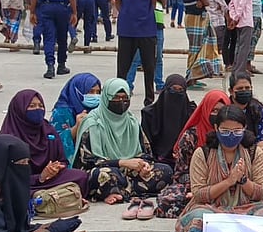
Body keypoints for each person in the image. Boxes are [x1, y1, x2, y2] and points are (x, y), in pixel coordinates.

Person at [175, 106, 263, 232]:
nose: (231, 135)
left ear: (244, 128)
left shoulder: (255, 153)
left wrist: (243, 180)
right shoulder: (202, 154)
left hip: (246, 207)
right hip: (211, 207)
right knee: (199, 217)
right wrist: (229, 181)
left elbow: (260, 193)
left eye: (237, 131)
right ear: (216, 128)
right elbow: (199, 194)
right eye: (225, 131)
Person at [73, 79, 173, 208]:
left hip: (131, 171)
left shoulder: (131, 122)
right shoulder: (93, 123)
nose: (121, 102)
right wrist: (122, 162)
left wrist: (143, 166)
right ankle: (125, 189)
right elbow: (87, 161)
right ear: (106, 98)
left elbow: (146, 152)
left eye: (125, 98)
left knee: (166, 171)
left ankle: (117, 191)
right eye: (116, 98)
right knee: (104, 175)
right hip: (105, 169)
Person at [154, 90, 231, 219]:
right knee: (167, 199)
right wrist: (197, 189)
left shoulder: (233, 134)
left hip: (226, 184)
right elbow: (180, 173)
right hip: (195, 183)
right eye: (213, 110)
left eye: (221, 111)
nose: (217, 115)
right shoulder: (191, 136)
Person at [0, 90, 90, 196]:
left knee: (81, 176)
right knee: (13, 191)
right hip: (26, 183)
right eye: (32, 106)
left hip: (51, 180)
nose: (37, 109)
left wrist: (55, 168)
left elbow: (62, 160)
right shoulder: (7, 138)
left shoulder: (48, 130)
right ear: (19, 109)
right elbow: (8, 176)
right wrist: (40, 177)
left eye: (41, 106)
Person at [111, 0, 161, 107]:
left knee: (149, 68)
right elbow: (117, 2)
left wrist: (144, 17)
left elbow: (153, 3)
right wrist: (127, 15)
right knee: (122, 70)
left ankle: (149, 102)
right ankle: (120, 100)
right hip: (126, 30)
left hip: (147, 31)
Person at [27, 0, 77, 80]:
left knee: (49, 37)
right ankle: (61, 65)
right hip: (61, 7)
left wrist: (32, 11)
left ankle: (50, 66)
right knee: (62, 37)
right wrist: (74, 12)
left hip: (45, 7)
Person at [141, 74, 195, 167]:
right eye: (173, 89)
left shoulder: (191, 113)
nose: (176, 93)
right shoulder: (150, 114)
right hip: (155, 161)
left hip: (184, 162)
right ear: (165, 90)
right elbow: (145, 144)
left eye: (180, 90)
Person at [50, 73, 101, 165]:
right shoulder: (61, 113)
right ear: (76, 91)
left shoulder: (99, 110)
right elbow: (54, 143)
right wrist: (77, 127)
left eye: (98, 92)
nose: (95, 96)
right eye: (90, 92)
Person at [228, 0, 257, 75]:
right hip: (245, 20)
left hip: (239, 20)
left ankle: (236, 68)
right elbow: (242, 4)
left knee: (239, 46)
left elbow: (231, 4)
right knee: (244, 47)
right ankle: (240, 70)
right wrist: (236, 18)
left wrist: (233, 16)